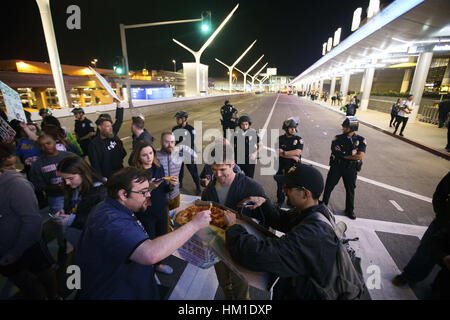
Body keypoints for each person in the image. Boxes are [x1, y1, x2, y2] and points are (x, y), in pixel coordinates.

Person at [75, 167, 211, 300]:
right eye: (143, 192)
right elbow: (149, 253)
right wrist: (194, 224)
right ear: (123, 194)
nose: (149, 195)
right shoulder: (112, 222)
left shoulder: (110, 205)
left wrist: (147, 189)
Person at [225, 163, 341, 300]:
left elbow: (260, 255)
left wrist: (233, 228)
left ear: (305, 194)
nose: (283, 190)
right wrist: (264, 203)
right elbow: (283, 220)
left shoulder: (313, 234)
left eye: (288, 187)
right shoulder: (315, 212)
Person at [201, 141, 270, 300]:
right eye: (213, 170)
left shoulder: (253, 188)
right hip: (218, 246)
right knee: (224, 283)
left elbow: (266, 222)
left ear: (233, 164)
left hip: (241, 247)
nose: (217, 175)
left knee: (240, 288)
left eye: (222, 169)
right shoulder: (209, 192)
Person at [0, 143, 60, 300]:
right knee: (24, 282)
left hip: (26, 244)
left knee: (43, 273)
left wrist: (15, 252)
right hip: (5, 248)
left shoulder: (16, 185)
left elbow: (32, 221)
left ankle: (53, 296)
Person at [392, 171, 449, 288]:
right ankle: (409, 276)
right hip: (444, 225)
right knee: (426, 251)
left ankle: (438, 287)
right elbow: (440, 194)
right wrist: (442, 217)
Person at [132, 141, 176, 275]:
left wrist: (172, 186)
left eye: (150, 153)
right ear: (138, 157)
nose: (149, 157)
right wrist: (149, 188)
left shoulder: (158, 167)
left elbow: (163, 189)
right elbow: (135, 198)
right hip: (146, 213)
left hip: (161, 209)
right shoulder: (135, 174)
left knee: (162, 237)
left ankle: (159, 264)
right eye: (144, 155)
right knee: (150, 241)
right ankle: (151, 271)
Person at [52, 155, 107, 250]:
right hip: (78, 239)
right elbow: (74, 206)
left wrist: (72, 220)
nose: (67, 182)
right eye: (64, 179)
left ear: (83, 173)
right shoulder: (72, 187)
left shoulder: (100, 192)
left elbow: (101, 221)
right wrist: (65, 212)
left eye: (70, 178)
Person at [322, 117, 366, 220]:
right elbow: (335, 152)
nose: (342, 128)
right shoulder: (337, 138)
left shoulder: (361, 140)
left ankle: (349, 210)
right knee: (329, 187)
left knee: (350, 190)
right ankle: (323, 206)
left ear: (352, 128)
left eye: (345, 126)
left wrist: (343, 154)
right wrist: (350, 154)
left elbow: (360, 156)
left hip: (351, 168)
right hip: (337, 166)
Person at [157, 132, 193, 212]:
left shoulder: (179, 154)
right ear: (161, 142)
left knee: (176, 218)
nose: (170, 145)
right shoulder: (155, 156)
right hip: (162, 196)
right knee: (165, 222)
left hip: (175, 194)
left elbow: (194, 156)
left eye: (172, 142)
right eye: (166, 142)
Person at [89, 108, 127, 179]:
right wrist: (101, 180)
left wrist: (119, 104)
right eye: (107, 126)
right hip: (109, 178)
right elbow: (95, 166)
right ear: (99, 127)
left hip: (121, 172)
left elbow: (119, 120)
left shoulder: (112, 135)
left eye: (111, 126)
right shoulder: (94, 145)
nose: (110, 128)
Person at [275, 118, 304, 206]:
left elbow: (298, 151)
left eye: (294, 128)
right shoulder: (280, 138)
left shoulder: (299, 139)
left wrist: (284, 153)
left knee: (293, 186)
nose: (293, 130)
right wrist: (292, 156)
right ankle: (280, 201)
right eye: (291, 128)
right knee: (280, 184)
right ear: (286, 129)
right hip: (282, 165)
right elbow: (278, 152)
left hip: (293, 166)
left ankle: (291, 201)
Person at [172, 110, 201, 195]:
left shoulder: (191, 129)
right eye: (177, 119)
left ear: (184, 119)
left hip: (188, 153)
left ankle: (198, 187)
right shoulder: (175, 129)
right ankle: (179, 185)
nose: (177, 121)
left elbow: (190, 142)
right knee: (179, 171)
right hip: (178, 153)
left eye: (178, 119)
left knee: (193, 171)